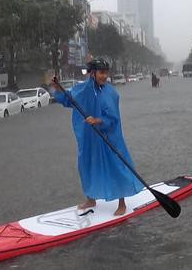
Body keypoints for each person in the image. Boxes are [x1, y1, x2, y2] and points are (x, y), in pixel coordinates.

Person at [50, 57, 142, 216]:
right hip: (88, 138)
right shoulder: (82, 89)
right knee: (85, 165)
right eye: (101, 73)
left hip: (108, 137)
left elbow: (113, 119)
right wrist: (58, 89)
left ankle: (122, 203)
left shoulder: (110, 93)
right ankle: (91, 199)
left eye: (106, 73)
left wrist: (97, 120)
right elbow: (68, 100)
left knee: (116, 166)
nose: (104, 76)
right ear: (92, 73)